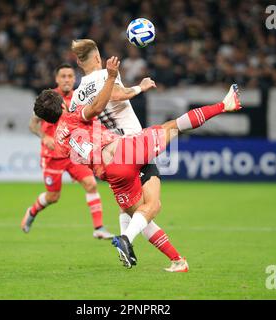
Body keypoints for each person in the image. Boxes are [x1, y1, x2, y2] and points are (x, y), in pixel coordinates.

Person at [33, 56, 242, 269]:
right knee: (173, 127)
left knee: (141, 216)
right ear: (61, 104)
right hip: (124, 151)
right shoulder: (73, 116)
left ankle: (177, 261)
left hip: (111, 174)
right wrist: (112, 76)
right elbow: (95, 108)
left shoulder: (60, 141)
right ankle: (224, 105)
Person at [70, 39, 185, 272]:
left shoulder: (76, 97)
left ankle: (133, 249)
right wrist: (140, 87)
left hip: (110, 157)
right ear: (97, 57)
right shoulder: (107, 75)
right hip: (133, 146)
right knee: (150, 208)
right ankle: (146, 248)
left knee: (129, 209)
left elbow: (80, 134)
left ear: (78, 62)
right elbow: (118, 95)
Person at [21, 63, 114, 240]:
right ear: (56, 79)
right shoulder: (50, 99)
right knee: (53, 196)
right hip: (52, 156)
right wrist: (44, 137)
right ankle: (32, 211)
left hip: (73, 154)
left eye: (70, 76)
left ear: (74, 79)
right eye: (63, 76)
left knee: (91, 184)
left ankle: (99, 228)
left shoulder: (79, 97)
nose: (66, 79)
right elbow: (33, 124)